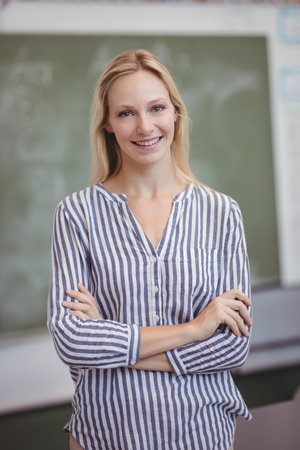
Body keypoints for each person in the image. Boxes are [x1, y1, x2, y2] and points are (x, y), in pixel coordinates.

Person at [48, 49, 252, 450]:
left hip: (202, 435)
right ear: (107, 124)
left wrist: (108, 336)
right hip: (103, 436)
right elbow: (72, 340)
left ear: (175, 112)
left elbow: (233, 346)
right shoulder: (77, 214)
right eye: (126, 113)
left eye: (156, 108)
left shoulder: (221, 213)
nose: (145, 127)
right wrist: (194, 330)